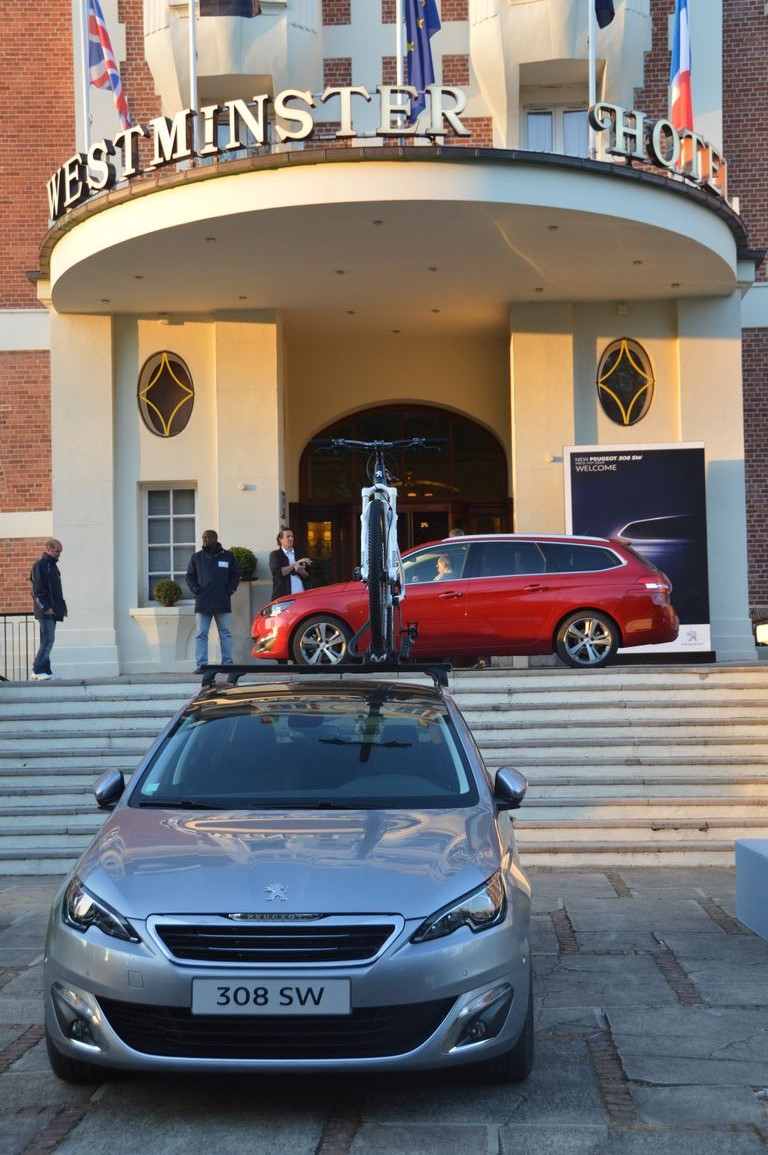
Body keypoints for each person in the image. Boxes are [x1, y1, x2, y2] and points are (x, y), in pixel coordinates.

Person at [186, 530, 241, 671]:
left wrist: (230, 590)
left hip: (222, 601)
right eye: (203, 537)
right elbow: (189, 576)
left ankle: (227, 664)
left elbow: (235, 575)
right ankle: (202, 665)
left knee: (225, 633)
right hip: (203, 602)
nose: (204, 539)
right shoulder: (197, 557)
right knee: (201, 634)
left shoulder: (228, 556)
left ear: (215, 538)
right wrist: (196, 590)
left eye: (207, 537)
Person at [30, 538, 67, 680]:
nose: (59, 554)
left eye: (60, 551)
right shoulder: (41, 565)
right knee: (48, 640)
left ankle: (46, 671)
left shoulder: (53, 567)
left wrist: (61, 608)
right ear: (49, 549)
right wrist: (45, 608)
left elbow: (56, 591)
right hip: (46, 611)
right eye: (57, 551)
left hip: (53, 611)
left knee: (47, 641)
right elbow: (36, 590)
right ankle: (37, 671)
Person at [270, 527, 311, 600]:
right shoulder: (275, 554)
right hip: (283, 598)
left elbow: (308, 576)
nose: (291, 538)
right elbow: (278, 573)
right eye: (288, 536)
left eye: (292, 536)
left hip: (302, 596)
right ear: (280, 539)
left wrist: (301, 571)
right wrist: (295, 564)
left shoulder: (300, 554)